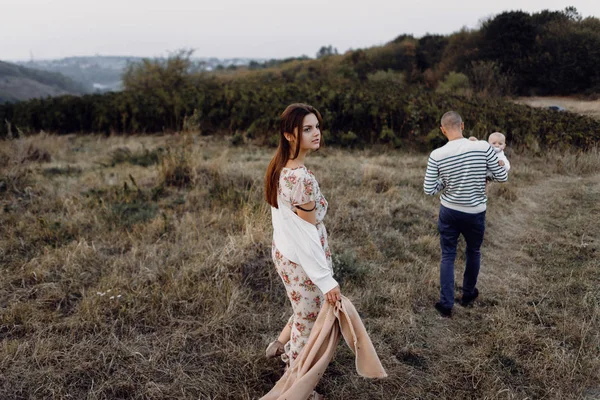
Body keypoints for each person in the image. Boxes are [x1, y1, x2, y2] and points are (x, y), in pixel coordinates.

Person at [264, 103, 341, 367]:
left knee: (306, 308)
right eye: (307, 129)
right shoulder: (301, 179)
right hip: (301, 258)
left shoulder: (280, 166)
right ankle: (294, 381)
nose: (316, 133)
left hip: (285, 252)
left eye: (317, 126)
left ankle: (279, 343)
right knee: (308, 320)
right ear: (289, 134)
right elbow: (307, 234)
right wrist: (325, 278)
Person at [424, 111, 508, 318]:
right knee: (473, 252)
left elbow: (429, 189)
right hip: (475, 212)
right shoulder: (482, 147)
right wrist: (484, 174)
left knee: (448, 255)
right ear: (462, 126)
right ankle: (469, 294)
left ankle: (446, 304)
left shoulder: (436, 154)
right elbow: (502, 176)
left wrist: (445, 182)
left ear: (443, 130)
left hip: (450, 211)